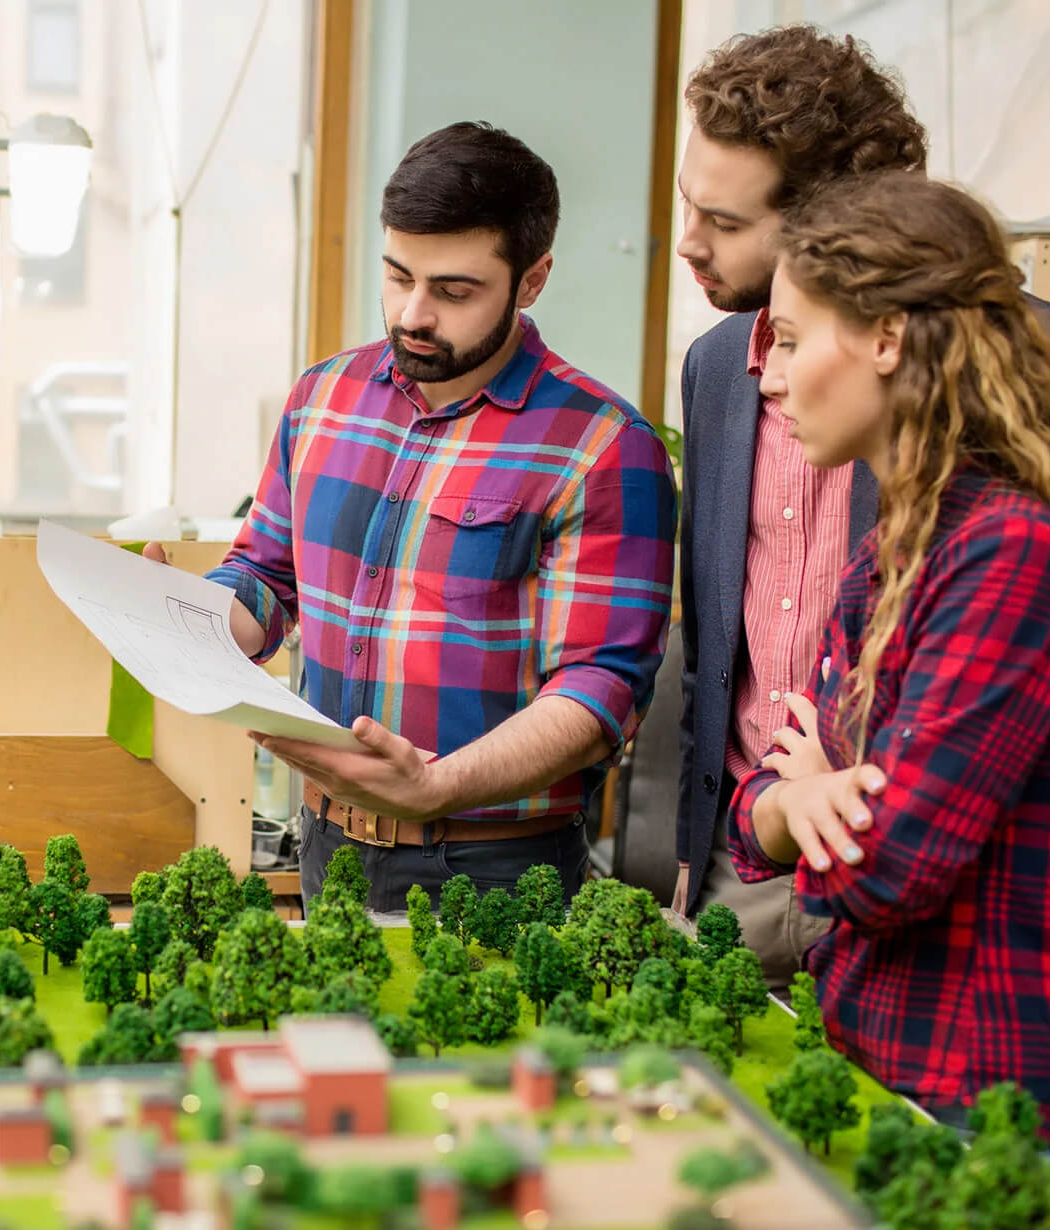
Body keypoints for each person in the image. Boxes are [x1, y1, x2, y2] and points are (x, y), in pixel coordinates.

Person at [672, 25, 1050, 989]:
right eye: (686, 203)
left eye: (725, 220)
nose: (688, 242)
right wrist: (711, 839)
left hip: (934, 885)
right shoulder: (716, 367)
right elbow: (717, 641)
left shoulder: (1010, 354)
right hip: (751, 857)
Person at [729, 171, 1050, 1227]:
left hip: (1003, 1120)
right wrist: (795, 803)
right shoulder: (898, 554)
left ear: (884, 337)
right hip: (899, 1078)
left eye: (791, 339)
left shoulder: (1012, 553)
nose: (770, 379)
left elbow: (891, 870)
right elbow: (766, 810)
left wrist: (810, 803)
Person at [175, 121, 676, 912]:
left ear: (533, 278)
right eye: (398, 275)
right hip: (326, 849)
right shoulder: (322, 402)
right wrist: (197, 623)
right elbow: (268, 574)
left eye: (454, 291)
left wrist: (436, 786)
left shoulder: (603, 447)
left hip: (495, 873)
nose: (413, 313)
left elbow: (600, 689)